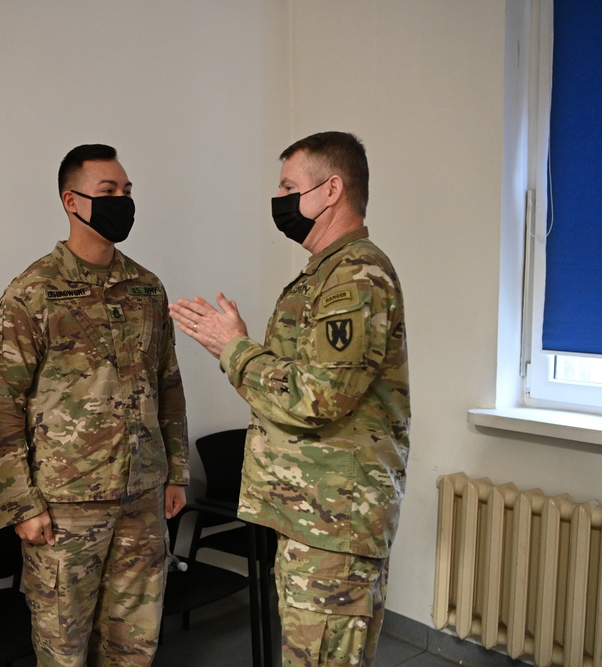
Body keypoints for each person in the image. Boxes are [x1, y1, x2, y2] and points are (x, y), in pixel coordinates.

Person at [169, 131, 410, 667]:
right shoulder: (325, 273)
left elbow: (317, 397)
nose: (278, 199)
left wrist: (233, 349)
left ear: (331, 190)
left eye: (287, 186)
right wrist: (239, 348)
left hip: (333, 524)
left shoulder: (355, 276)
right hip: (313, 517)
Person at [0, 144, 189, 667]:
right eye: (109, 192)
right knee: (63, 646)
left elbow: (168, 385)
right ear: (72, 201)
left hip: (142, 495)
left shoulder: (147, 288)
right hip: (65, 503)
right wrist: (20, 504)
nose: (123, 201)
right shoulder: (32, 293)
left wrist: (176, 472)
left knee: (134, 643)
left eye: (128, 191)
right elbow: (0, 408)